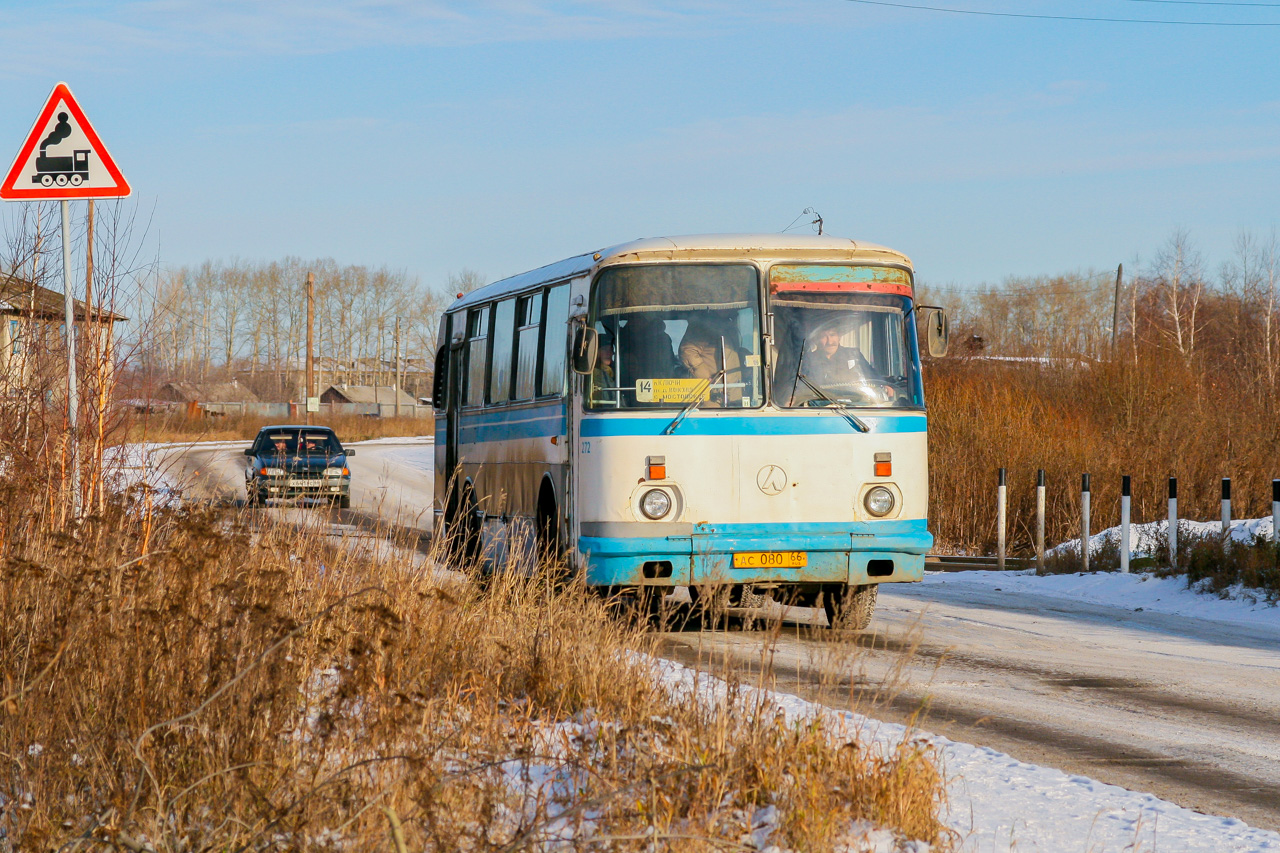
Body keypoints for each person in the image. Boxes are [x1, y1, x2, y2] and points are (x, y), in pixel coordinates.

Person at [678, 320, 744, 407]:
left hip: (733, 395)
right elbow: (688, 351)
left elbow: (730, 353)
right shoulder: (702, 324)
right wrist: (706, 379)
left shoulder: (728, 324)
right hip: (713, 396)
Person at [617, 315, 679, 405]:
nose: (634, 323)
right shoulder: (622, 336)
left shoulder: (661, 338)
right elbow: (607, 321)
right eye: (631, 319)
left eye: (638, 318)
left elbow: (666, 364)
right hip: (628, 384)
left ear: (646, 321)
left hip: (656, 382)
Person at [589, 333, 617, 406]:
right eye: (604, 349)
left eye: (610, 350)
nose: (608, 353)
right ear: (596, 352)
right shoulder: (593, 374)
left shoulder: (616, 371)